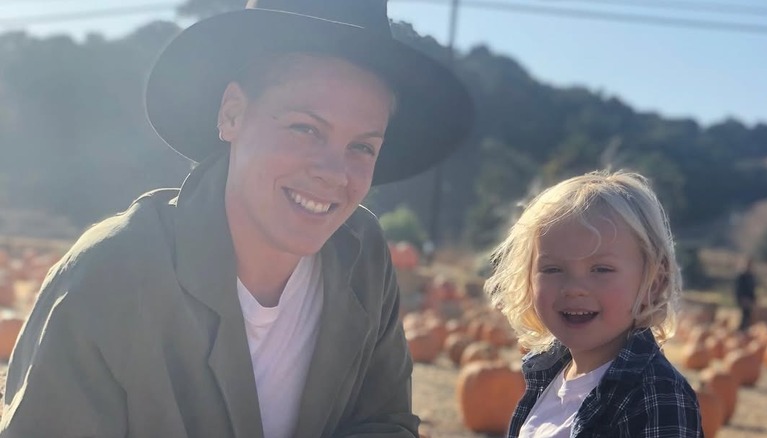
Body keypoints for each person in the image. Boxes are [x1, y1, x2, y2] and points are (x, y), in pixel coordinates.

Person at [0, 1, 473, 437]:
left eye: (362, 147)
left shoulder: (364, 253)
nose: (334, 174)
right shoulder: (110, 273)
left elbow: (385, 420)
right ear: (231, 115)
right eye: (305, 128)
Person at [484, 170, 702, 437]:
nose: (574, 289)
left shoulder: (656, 396)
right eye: (553, 269)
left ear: (653, 282)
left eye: (601, 269)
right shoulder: (546, 375)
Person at [734, 257, 757, 331]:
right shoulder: (742, 276)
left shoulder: (751, 276)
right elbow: (739, 288)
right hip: (743, 299)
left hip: (749, 299)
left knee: (748, 315)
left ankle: (745, 330)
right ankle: (740, 330)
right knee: (743, 315)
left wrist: (753, 298)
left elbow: (752, 289)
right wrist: (741, 298)